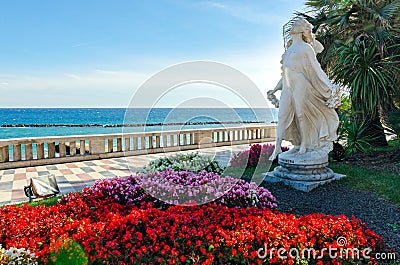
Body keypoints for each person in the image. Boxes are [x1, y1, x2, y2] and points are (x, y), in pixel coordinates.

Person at [269, 18, 339, 161]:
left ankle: (305, 144)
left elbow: (316, 68)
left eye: (295, 24)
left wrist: (329, 85)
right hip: (288, 85)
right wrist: (275, 89)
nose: (292, 25)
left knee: (301, 114)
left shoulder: (306, 48)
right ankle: (277, 148)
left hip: (301, 83)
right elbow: (285, 74)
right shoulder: (288, 51)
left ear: (301, 29)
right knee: (282, 115)